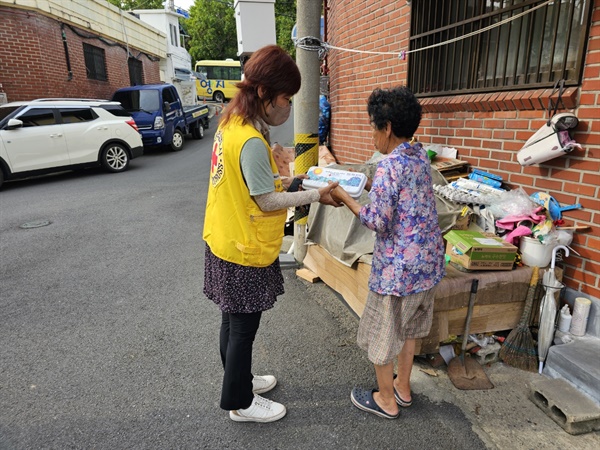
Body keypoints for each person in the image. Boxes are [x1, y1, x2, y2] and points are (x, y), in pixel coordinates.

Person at [202, 45, 339, 424]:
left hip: (223, 237)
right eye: (287, 98)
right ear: (264, 94)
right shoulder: (249, 140)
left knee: (231, 321)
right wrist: (316, 194)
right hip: (243, 246)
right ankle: (240, 402)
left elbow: (252, 184)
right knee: (243, 328)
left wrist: (292, 181)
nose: (289, 106)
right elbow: (265, 200)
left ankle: (240, 381)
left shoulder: (231, 125)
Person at [330, 86, 446, 419]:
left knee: (382, 337)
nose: (372, 135)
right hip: (428, 266)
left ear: (388, 127)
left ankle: (385, 399)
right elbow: (399, 195)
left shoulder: (388, 166)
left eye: (373, 127)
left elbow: (376, 219)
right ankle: (403, 389)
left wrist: (344, 196)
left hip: (399, 272)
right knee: (408, 331)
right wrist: (364, 184)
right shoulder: (418, 155)